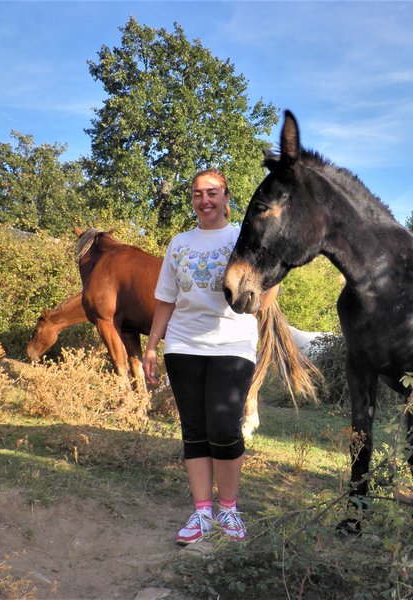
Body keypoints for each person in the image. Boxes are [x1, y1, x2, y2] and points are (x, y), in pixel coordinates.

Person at [144, 169, 278, 546]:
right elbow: (166, 299)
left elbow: (264, 295)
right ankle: (202, 511)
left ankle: (229, 509)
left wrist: (274, 279)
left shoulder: (241, 236)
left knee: (224, 428)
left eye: (213, 193)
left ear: (226, 197)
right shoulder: (179, 243)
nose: (205, 200)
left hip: (232, 345)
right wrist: (153, 345)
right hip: (183, 346)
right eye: (198, 194)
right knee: (195, 431)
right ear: (192, 200)